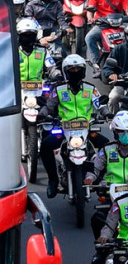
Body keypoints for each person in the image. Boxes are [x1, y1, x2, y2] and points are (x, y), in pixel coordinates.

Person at [39, 54, 108, 197]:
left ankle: (97, 177)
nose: (75, 72)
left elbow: (100, 104)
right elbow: (49, 106)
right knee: (45, 147)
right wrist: (42, 114)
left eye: (78, 69)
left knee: (107, 146)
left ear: (83, 71)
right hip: (65, 129)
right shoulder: (59, 89)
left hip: (86, 129)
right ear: (66, 71)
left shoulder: (91, 89)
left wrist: (107, 113)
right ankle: (53, 180)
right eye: (71, 69)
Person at [86, 112, 128, 247]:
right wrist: (90, 178)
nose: (126, 136)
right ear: (115, 133)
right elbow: (96, 167)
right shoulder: (107, 149)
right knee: (97, 219)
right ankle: (101, 249)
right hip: (111, 194)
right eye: (122, 132)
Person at [85, 0, 128, 65]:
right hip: (102, 24)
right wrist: (90, 18)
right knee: (89, 38)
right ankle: (96, 62)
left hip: (119, 24)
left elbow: (127, 8)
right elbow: (90, 9)